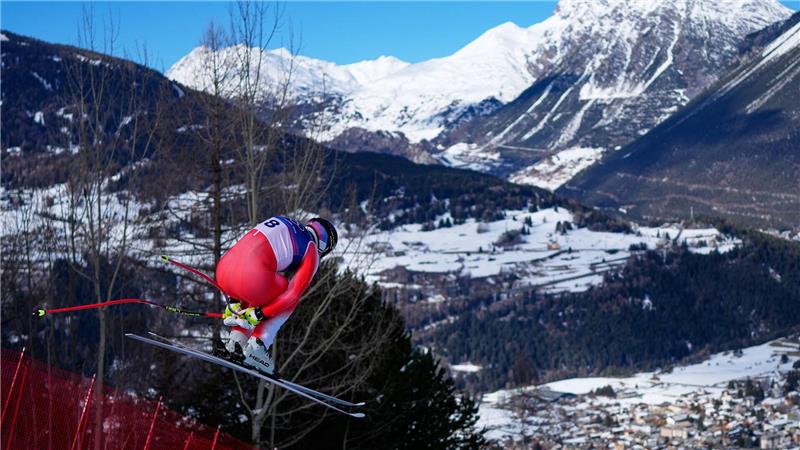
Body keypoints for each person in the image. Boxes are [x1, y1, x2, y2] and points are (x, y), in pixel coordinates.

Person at [215, 216, 337, 375]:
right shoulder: (311, 249)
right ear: (324, 246)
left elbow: (245, 254)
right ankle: (256, 346)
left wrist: (234, 300)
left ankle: (235, 342)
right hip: (251, 278)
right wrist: (260, 313)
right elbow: (292, 295)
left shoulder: (283, 221)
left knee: (262, 282)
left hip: (223, 272)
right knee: (288, 292)